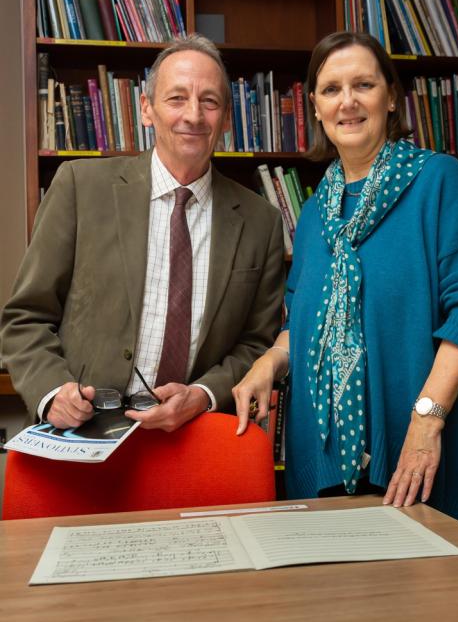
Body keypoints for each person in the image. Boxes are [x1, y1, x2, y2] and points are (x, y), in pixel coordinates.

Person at [233, 31, 458, 544]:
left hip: (426, 446)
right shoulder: (317, 210)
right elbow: (302, 319)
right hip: (328, 463)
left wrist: (427, 422)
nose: (348, 101)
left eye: (363, 84)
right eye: (331, 89)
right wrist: (266, 365)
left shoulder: (437, 180)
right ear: (314, 107)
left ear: (390, 97)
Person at [1, 34, 284, 433]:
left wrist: (203, 394)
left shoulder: (261, 222)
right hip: (82, 434)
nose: (193, 115)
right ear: (146, 109)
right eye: (176, 98)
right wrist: (52, 393)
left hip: (192, 439)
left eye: (209, 101)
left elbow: (257, 343)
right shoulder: (80, 187)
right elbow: (26, 316)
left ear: (226, 119)